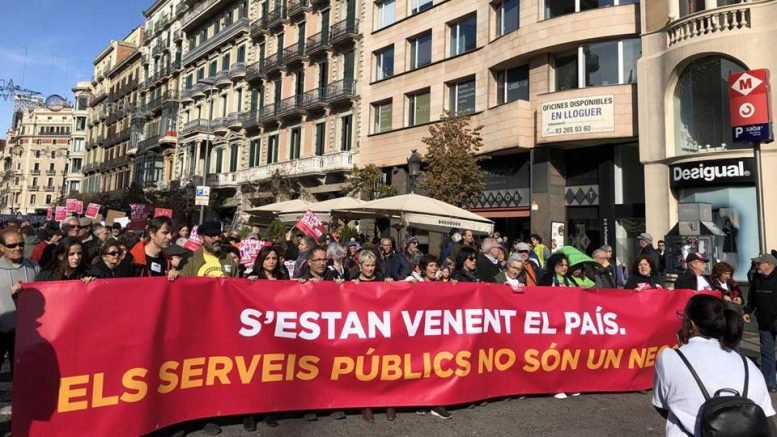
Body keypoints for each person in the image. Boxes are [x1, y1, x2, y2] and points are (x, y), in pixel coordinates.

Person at [653, 294, 776, 436]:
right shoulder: (748, 364)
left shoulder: (669, 357)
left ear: (691, 325)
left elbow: (661, 406)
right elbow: (766, 418)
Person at [0, 229, 40, 370]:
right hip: (1, 331)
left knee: (21, 373)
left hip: (26, 332)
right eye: (12, 245)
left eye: (21, 244)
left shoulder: (34, 266)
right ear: (1, 247)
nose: (18, 248)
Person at [744, 253, 777, 391]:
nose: (757, 266)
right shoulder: (757, 278)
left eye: (760, 263)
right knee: (766, 352)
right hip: (763, 320)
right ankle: (769, 382)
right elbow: (752, 297)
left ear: (769, 264)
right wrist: (747, 311)